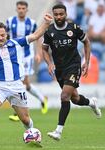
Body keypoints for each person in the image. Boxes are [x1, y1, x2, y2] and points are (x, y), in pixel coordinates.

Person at [0, 13, 53, 146]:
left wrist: (46, 23)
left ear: (6, 34)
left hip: (17, 86)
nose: (0, 38)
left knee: (25, 120)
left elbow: (36, 35)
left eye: (2, 35)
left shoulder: (17, 43)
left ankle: (32, 134)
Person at [42, 4, 102, 141]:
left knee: (64, 96)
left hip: (74, 66)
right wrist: (49, 63)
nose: (58, 17)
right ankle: (91, 103)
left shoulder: (74, 28)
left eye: (61, 14)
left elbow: (86, 42)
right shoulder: (49, 31)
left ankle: (58, 131)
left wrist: (86, 62)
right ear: (53, 15)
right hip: (60, 69)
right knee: (74, 98)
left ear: (66, 14)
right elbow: (44, 49)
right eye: (56, 14)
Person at [6, 1, 48, 121]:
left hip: (27, 56)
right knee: (26, 84)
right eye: (19, 8)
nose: (21, 10)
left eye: (23, 8)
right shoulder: (10, 21)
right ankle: (42, 99)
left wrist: (39, 53)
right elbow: (5, 36)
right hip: (14, 56)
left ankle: (19, 112)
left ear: (26, 10)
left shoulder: (32, 23)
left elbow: (37, 37)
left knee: (20, 82)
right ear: (16, 9)